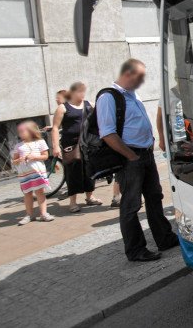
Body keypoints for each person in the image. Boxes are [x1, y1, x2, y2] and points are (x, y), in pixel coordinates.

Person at [97, 58, 178, 262]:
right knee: (131, 204)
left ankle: (164, 238)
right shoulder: (108, 97)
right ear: (128, 74)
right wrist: (130, 156)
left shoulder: (133, 95)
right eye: (140, 76)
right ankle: (135, 250)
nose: (142, 81)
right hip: (130, 158)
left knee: (154, 197)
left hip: (146, 155)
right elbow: (107, 133)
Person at [51, 82, 102, 213]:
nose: (83, 94)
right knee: (72, 173)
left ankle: (90, 196)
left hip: (88, 144)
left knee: (89, 171)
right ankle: (72, 202)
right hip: (71, 145)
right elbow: (55, 128)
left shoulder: (89, 104)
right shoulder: (63, 108)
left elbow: (101, 116)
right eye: (80, 91)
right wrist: (56, 146)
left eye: (83, 91)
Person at [12, 121, 55, 225]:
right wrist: (19, 160)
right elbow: (14, 161)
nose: (21, 133)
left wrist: (34, 157)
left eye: (23, 131)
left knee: (40, 192)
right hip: (25, 173)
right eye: (20, 132)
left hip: (37, 172)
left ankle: (44, 213)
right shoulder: (18, 146)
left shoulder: (40, 142)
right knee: (27, 193)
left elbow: (45, 156)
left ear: (31, 131)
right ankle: (29, 215)